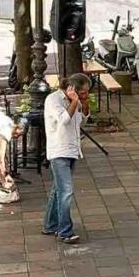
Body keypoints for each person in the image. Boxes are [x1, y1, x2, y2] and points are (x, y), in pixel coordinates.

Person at [43, 73, 91, 244]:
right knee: (66, 192)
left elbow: (80, 122)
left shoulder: (76, 101)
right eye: (83, 92)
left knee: (58, 189)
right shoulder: (53, 100)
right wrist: (74, 102)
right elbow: (63, 120)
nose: (86, 94)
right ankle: (64, 231)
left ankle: (50, 224)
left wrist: (83, 105)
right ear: (74, 90)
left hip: (72, 149)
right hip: (59, 150)